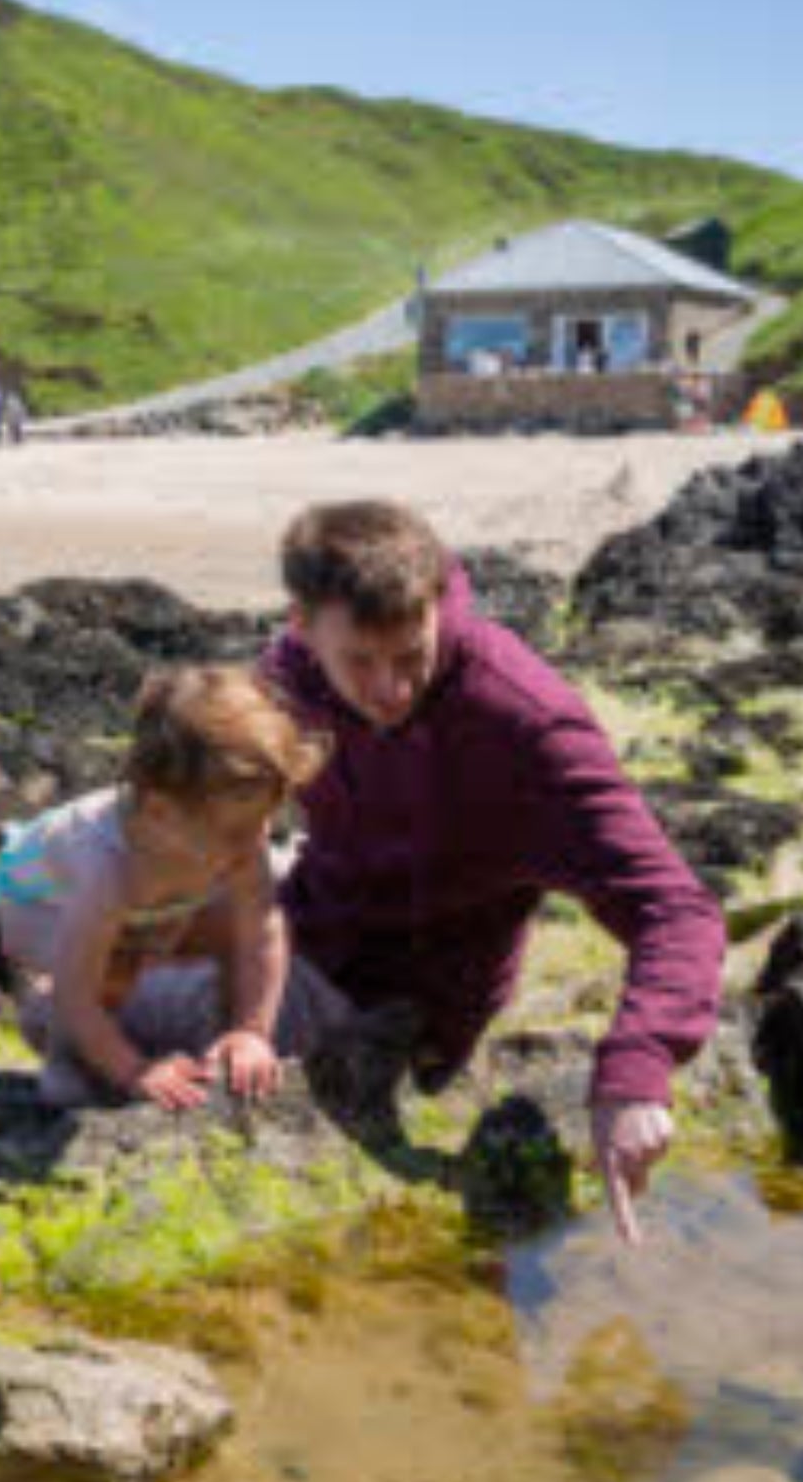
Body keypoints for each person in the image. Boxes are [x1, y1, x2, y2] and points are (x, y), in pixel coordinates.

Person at [258, 501, 722, 1243]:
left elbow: (676, 910)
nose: (391, 690)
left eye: (412, 657)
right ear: (301, 625)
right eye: (361, 663)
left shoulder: (526, 726)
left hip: (425, 1006)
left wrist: (638, 1070)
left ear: (440, 604)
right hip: (307, 935)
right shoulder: (284, 680)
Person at [0, 665, 331, 1111]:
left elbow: (262, 930)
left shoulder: (236, 839)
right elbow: (78, 993)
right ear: (161, 812)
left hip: (158, 887)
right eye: (235, 830)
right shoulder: (106, 872)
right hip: (36, 901)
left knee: (247, 912)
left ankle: (223, 1029)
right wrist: (136, 1071)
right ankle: (65, 1050)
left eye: (265, 819)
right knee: (115, 962)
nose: (255, 840)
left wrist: (253, 1031)